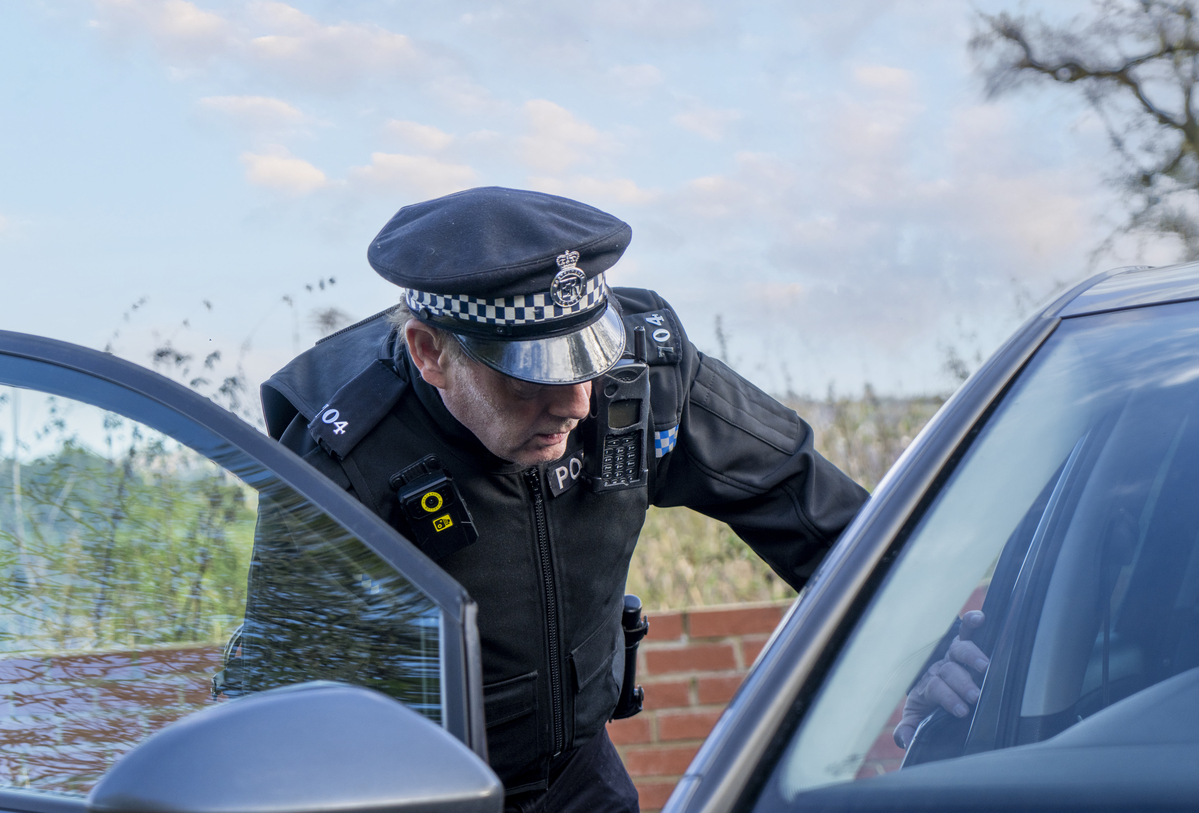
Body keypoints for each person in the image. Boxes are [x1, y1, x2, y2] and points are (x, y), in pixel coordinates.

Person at [257, 187, 869, 812]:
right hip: (418, 792)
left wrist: (922, 644)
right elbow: (289, 690)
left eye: (587, 359)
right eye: (533, 374)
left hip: (579, 772)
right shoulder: (343, 451)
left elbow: (806, 503)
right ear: (431, 352)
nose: (578, 404)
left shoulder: (647, 372)